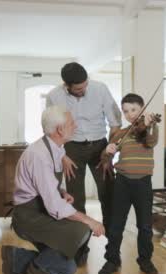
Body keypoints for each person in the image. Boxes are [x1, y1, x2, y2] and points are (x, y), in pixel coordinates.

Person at [1, 105, 106, 274]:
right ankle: (39, 268)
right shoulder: (39, 155)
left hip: (40, 211)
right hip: (29, 217)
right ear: (60, 129)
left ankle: (16, 259)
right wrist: (91, 221)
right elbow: (55, 207)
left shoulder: (55, 148)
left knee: (68, 267)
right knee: (81, 229)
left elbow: (49, 184)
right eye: (71, 123)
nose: (75, 125)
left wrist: (62, 192)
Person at [45, 63, 122, 260]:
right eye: (78, 89)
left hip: (100, 147)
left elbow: (115, 124)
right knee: (75, 199)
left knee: (109, 196)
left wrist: (108, 154)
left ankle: (113, 250)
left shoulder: (100, 89)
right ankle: (80, 249)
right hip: (71, 149)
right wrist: (62, 155)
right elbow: (50, 129)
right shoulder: (54, 96)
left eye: (85, 85)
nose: (83, 90)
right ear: (66, 85)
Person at [98, 93, 159, 274]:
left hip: (143, 183)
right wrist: (107, 151)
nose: (130, 114)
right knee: (116, 224)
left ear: (142, 109)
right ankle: (112, 259)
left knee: (145, 225)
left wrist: (149, 125)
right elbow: (105, 158)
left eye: (134, 110)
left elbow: (151, 141)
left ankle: (145, 260)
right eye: (126, 111)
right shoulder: (121, 134)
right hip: (122, 183)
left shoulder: (149, 129)